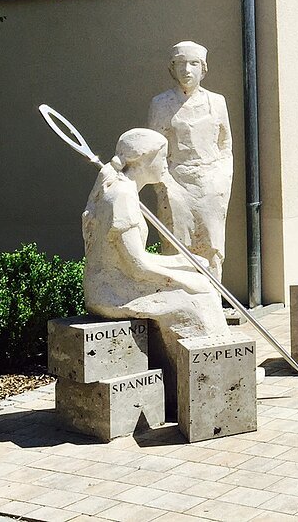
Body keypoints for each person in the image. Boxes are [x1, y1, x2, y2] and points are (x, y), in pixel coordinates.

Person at [81, 129, 228, 375]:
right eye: (162, 157)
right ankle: (214, 374)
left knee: (200, 281)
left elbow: (135, 259)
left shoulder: (124, 190)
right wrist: (186, 277)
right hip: (113, 291)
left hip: (121, 280)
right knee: (199, 296)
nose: (166, 163)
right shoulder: (121, 197)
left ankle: (214, 370)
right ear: (142, 160)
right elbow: (138, 268)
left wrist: (183, 261)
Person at [147, 41, 233, 280]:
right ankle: (181, 294)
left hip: (210, 182)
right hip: (176, 182)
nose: (187, 70)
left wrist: (222, 180)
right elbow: (155, 149)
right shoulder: (161, 104)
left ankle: (212, 293)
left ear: (203, 68)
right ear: (171, 68)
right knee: (176, 243)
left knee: (211, 245)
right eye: (180, 63)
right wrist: (164, 186)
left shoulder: (216, 102)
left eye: (193, 63)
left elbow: (225, 145)